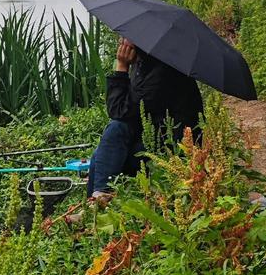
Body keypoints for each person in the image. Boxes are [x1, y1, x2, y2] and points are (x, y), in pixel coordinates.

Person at [87, 38, 203, 199]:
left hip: (173, 145)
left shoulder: (161, 71)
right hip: (155, 132)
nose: (121, 43)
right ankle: (96, 201)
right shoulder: (147, 63)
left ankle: (99, 203)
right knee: (108, 143)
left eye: (126, 39)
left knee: (105, 153)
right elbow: (128, 114)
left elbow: (119, 110)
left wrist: (121, 67)